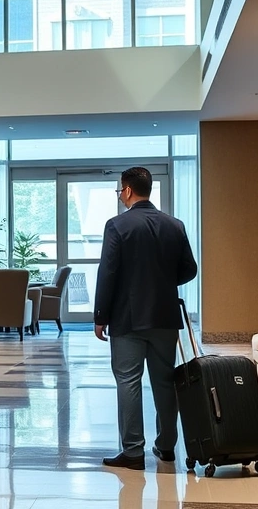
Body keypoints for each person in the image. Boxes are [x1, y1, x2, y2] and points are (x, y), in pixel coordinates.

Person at [93, 166, 198, 471]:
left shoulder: (118, 226)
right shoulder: (174, 225)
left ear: (127, 190)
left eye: (119, 191)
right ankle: (166, 447)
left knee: (128, 380)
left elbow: (108, 272)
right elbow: (189, 269)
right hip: (165, 316)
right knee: (165, 381)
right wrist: (163, 282)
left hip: (128, 318)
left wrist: (101, 315)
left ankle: (133, 451)